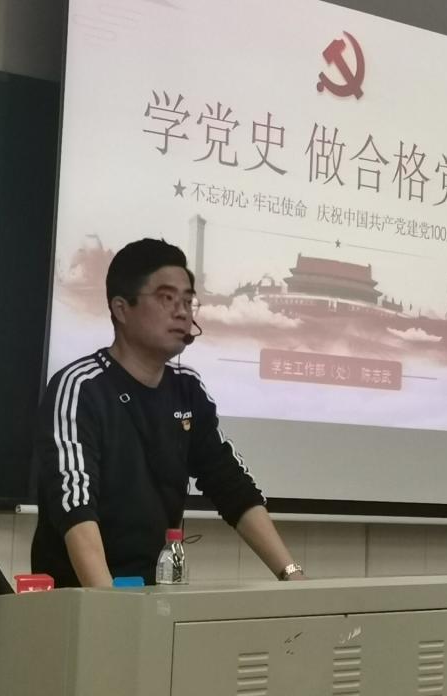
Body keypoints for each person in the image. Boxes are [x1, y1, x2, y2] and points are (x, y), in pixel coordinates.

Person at [31, 238, 304, 587]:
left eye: (188, 300)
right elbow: (75, 503)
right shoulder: (81, 387)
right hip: (81, 597)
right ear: (121, 309)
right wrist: (106, 602)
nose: (182, 312)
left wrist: (291, 575)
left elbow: (230, 484)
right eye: (166, 298)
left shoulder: (186, 389)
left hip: (157, 595)